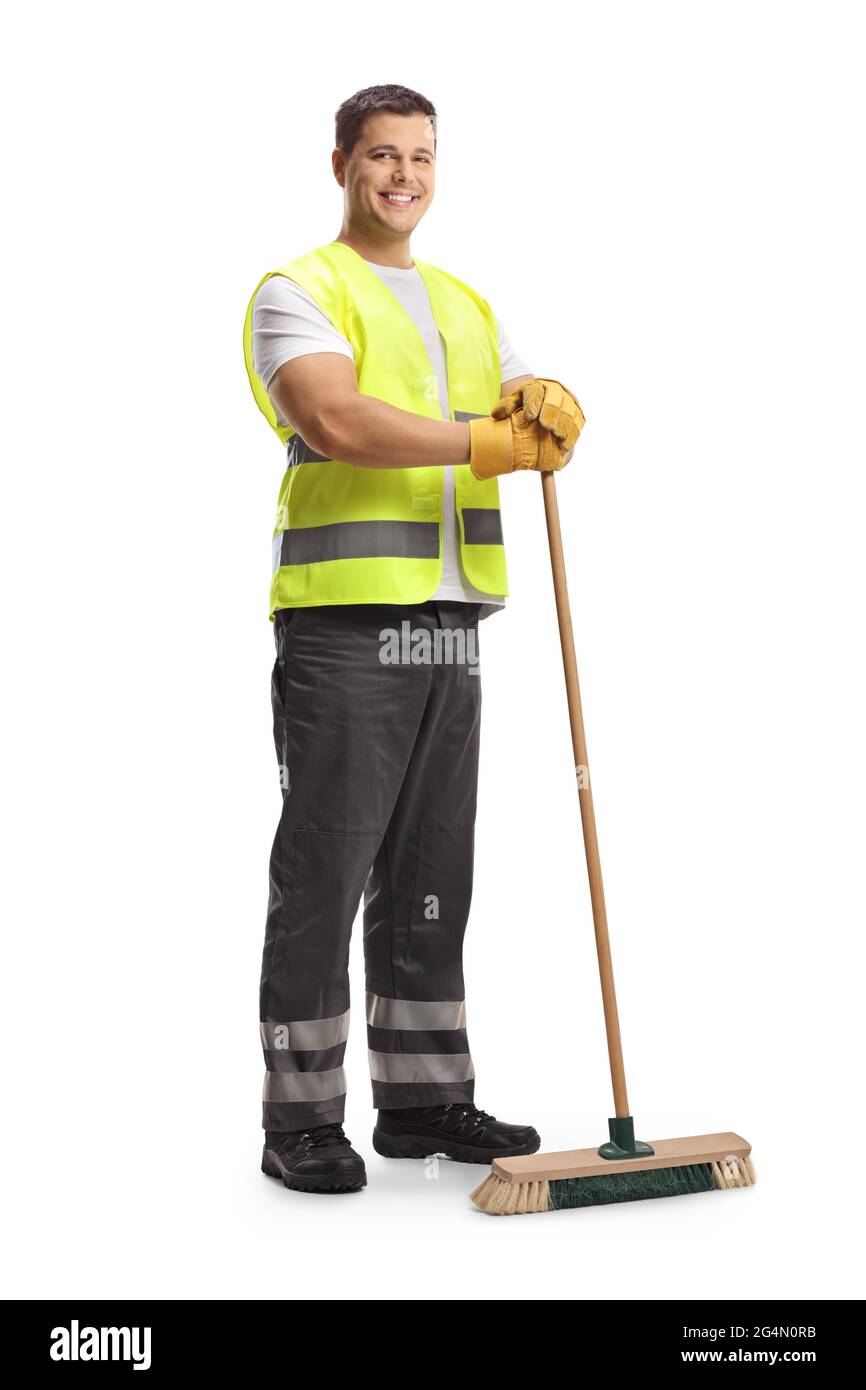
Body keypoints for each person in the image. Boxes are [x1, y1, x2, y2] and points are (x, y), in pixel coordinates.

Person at [242, 83, 585, 1195]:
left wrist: (545, 401)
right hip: (347, 628)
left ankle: (423, 1097)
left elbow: (516, 393)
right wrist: (494, 441)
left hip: (450, 624)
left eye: (422, 156)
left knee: (434, 867)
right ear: (340, 162)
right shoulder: (301, 291)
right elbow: (335, 418)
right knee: (328, 866)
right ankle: (299, 1119)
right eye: (382, 155)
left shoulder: (464, 305)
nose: (404, 174)